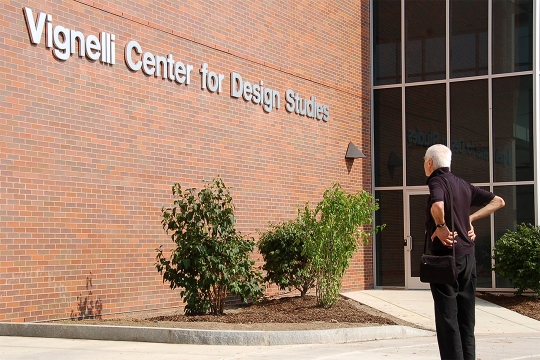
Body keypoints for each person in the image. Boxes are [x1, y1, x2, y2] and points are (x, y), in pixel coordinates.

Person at [424, 144, 505, 360]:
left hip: (446, 260)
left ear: (430, 163)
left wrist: (441, 227)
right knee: (466, 320)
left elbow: (438, 206)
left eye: (424, 160)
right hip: (468, 258)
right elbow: (498, 201)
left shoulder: (436, 180)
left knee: (447, 321)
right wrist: (469, 218)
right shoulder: (463, 184)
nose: (424, 163)